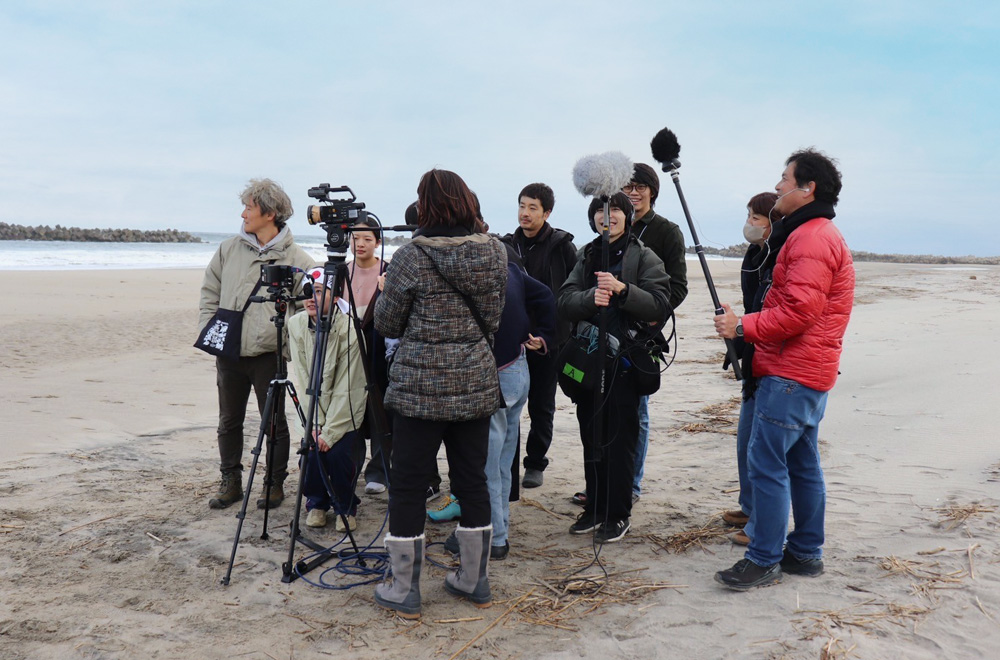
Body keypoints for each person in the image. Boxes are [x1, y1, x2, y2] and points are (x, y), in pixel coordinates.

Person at [713, 149, 854, 591]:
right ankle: (806, 552)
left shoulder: (811, 237)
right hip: (808, 372)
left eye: (785, 178)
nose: (777, 186)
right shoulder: (814, 232)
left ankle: (763, 558)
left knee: (767, 465)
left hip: (792, 373)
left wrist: (742, 326)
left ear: (808, 188)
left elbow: (798, 313)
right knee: (802, 464)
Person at [373, 169, 507, 618]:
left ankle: (404, 588)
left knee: (409, 485)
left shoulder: (411, 257)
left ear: (425, 206)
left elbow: (387, 323)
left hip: (420, 390)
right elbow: (494, 317)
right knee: (472, 480)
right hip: (474, 384)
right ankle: (474, 580)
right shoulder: (496, 253)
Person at [557, 192, 671, 544]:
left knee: (621, 441)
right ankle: (595, 507)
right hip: (591, 360)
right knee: (591, 435)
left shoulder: (645, 256)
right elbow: (564, 300)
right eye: (600, 212)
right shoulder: (587, 254)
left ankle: (618, 513)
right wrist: (590, 298)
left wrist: (623, 291)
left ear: (628, 216)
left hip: (626, 363)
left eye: (616, 210)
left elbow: (660, 305)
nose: (608, 218)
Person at [198, 178, 315, 511]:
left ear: (270, 213)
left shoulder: (297, 258)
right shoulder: (228, 249)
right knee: (228, 421)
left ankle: (273, 484)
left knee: (274, 423)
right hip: (230, 351)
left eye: (249, 207)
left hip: (269, 354)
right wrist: (209, 329)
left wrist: (286, 344)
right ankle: (231, 481)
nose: (243, 214)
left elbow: (309, 307)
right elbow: (209, 292)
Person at [501, 183, 578, 489]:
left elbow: (572, 291)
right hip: (513, 340)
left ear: (547, 213)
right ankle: (508, 466)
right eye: (522, 206)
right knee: (508, 406)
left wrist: (550, 335)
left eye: (533, 208)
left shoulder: (562, 246)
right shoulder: (505, 245)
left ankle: (535, 463)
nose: (525, 213)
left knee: (542, 406)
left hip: (550, 340)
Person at [622, 163, 689, 503]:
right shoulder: (612, 223)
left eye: (640, 187)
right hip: (609, 328)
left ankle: (631, 486)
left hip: (643, 334)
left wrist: (653, 317)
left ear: (652, 191)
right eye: (627, 187)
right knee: (604, 406)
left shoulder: (666, 231)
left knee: (638, 411)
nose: (633, 193)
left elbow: (678, 287)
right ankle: (603, 484)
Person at [287, 268, 366, 532]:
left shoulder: (350, 329)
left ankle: (345, 506)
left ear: (336, 298)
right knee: (310, 454)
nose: (311, 298)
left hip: (345, 410)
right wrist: (314, 425)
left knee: (338, 456)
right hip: (313, 411)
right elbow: (303, 377)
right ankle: (317, 503)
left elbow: (349, 386)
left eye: (319, 292)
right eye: (307, 292)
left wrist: (329, 432)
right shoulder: (296, 324)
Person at [720, 192, 779, 546]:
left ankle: (762, 521)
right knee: (745, 440)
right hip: (754, 351)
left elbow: (774, 314)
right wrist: (740, 341)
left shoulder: (778, 256)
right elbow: (752, 306)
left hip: (773, 361)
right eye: (749, 216)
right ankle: (749, 505)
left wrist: (743, 330)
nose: (750, 223)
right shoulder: (753, 255)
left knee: (761, 446)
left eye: (756, 218)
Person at [340, 218, 391, 496]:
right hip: (347, 350)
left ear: (378, 242)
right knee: (351, 409)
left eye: (367, 239)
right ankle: (350, 469)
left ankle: (379, 472)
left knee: (380, 410)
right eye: (355, 238)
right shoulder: (342, 271)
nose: (360, 244)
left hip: (378, 351)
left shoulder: (388, 270)